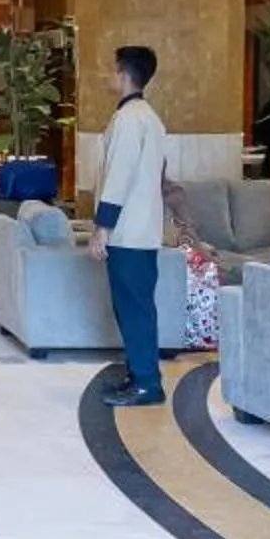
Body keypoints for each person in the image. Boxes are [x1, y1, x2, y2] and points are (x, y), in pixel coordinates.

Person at [90, 45, 170, 408]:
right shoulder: (148, 116)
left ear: (123, 74)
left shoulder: (128, 119)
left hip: (127, 232)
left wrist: (102, 228)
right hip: (142, 229)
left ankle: (146, 383)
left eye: (113, 69)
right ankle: (140, 373)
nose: (110, 75)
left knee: (133, 308)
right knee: (137, 306)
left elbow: (118, 177)